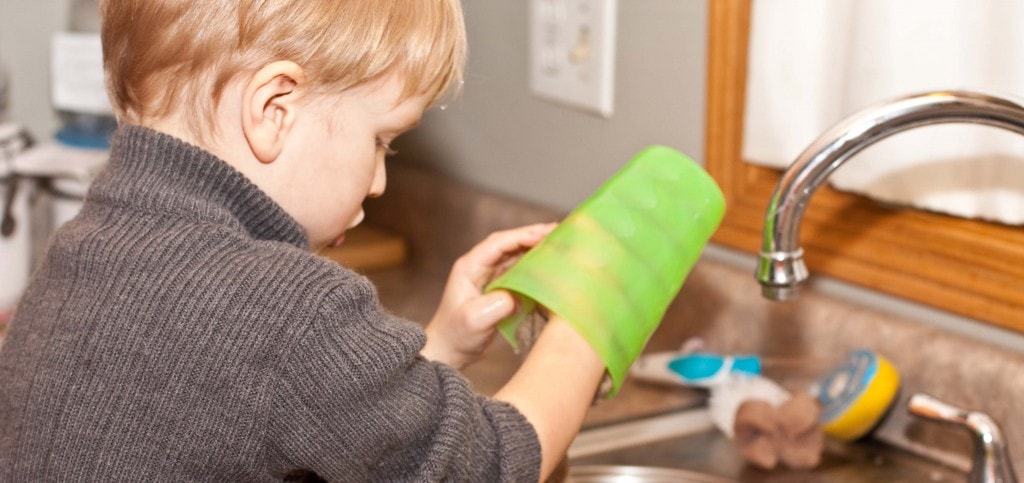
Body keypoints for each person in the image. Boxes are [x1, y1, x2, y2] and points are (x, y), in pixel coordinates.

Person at [0, 1, 606, 482]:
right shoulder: (287, 307)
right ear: (274, 109)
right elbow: (488, 467)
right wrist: (587, 324)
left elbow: (302, 423)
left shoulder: (84, 248)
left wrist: (442, 343)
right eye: (380, 140)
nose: (378, 182)